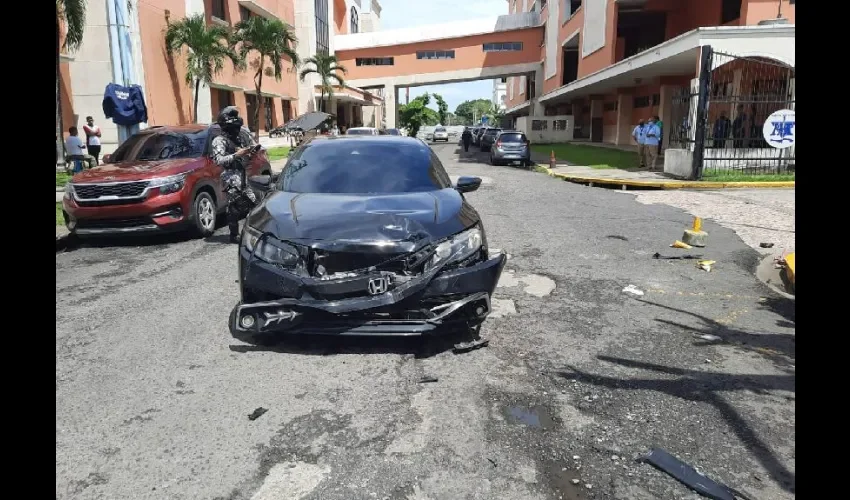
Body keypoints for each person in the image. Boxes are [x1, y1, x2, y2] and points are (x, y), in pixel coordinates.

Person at [210, 106, 258, 243]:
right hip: (229, 178)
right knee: (234, 207)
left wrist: (250, 153)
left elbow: (245, 159)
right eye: (234, 128)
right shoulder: (219, 141)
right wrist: (237, 155)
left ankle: (252, 232)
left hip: (241, 176)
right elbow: (219, 160)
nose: (237, 131)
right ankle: (234, 234)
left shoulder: (238, 139)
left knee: (253, 204)